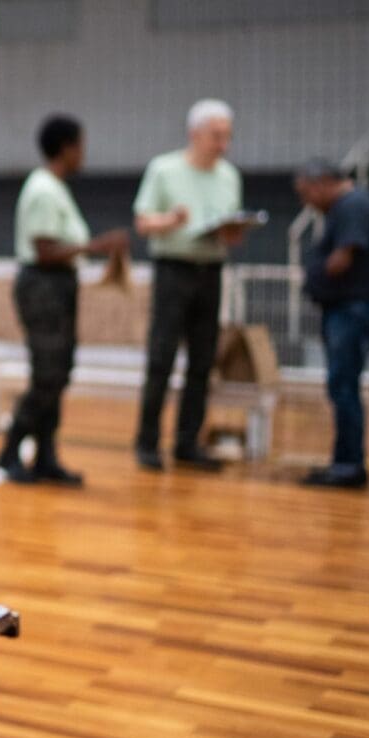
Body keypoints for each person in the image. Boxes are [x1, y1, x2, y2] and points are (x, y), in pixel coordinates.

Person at [0, 115, 128, 486]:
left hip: (58, 286)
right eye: (80, 146)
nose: (83, 154)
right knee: (48, 374)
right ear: (66, 147)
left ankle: (46, 456)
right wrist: (97, 246)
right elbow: (44, 249)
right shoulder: (43, 189)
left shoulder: (56, 187)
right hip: (44, 286)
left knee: (60, 370)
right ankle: (10, 451)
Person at [132, 98, 248, 472]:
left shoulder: (229, 175)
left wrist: (232, 232)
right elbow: (144, 223)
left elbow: (231, 229)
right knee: (161, 358)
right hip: (173, 270)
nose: (222, 144)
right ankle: (147, 442)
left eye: (227, 136)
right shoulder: (164, 170)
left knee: (202, 361)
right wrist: (172, 220)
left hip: (210, 271)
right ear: (194, 134)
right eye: (216, 135)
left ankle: (187, 442)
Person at [295, 160, 369, 489]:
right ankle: (345, 461)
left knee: (344, 386)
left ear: (321, 183)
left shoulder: (352, 207)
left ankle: (348, 466)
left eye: (307, 193)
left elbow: (343, 257)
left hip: (353, 310)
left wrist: (315, 277)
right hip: (351, 309)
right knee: (343, 386)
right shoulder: (350, 206)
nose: (306, 201)